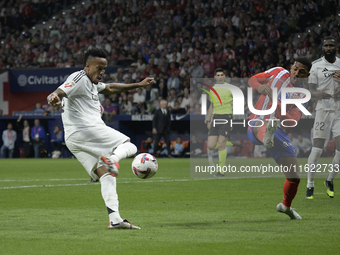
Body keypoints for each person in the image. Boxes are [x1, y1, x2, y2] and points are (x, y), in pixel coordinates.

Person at [47, 47, 154, 230]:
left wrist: (138, 85)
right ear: (87, 66)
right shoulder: (78, 78)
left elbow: (111, 88)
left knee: (105, 173)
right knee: (129, 146)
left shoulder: (93, 84)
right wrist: (54, 96)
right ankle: (112, 159)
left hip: (74, 138)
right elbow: (60, 90)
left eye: (104, 68)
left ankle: (115, 219)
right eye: (99, 67)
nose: (102, 72)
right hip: (85, 130)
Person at [247, 56, 312, 219]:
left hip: (279, 131)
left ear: (307, 75)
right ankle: (266, 137)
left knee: (294, 178)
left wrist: (276, 103)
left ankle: (285, 206)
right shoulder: (277, 72)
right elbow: (253, 80)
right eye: (295, 68)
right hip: (257, 121)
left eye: (301, 71)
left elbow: (292, 121)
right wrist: (259, 87)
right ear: (291, 67)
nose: (296, 73)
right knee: (261, 125)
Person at [306, 36, 340, 199]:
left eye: (331, 45)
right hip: (322, 111)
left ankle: (329, 180)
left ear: (335, 48)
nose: (328, 48)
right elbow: (311, 89)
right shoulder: (316, 66)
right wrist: (317, 94)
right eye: (326, 45)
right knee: (317, 150)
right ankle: (310, 184)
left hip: (339, 111)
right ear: (323, 48)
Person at [204, 68, 233, 178]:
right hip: (215, 117)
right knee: (211, 145)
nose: (220, 76)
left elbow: (241, 101)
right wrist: (208, 119)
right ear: (215, 77)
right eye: (218, 75)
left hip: (226, 116)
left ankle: (221, 171)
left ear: (224, 76)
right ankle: (231, 143)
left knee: (221, 144)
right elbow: (212, 105)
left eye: (222, 74)